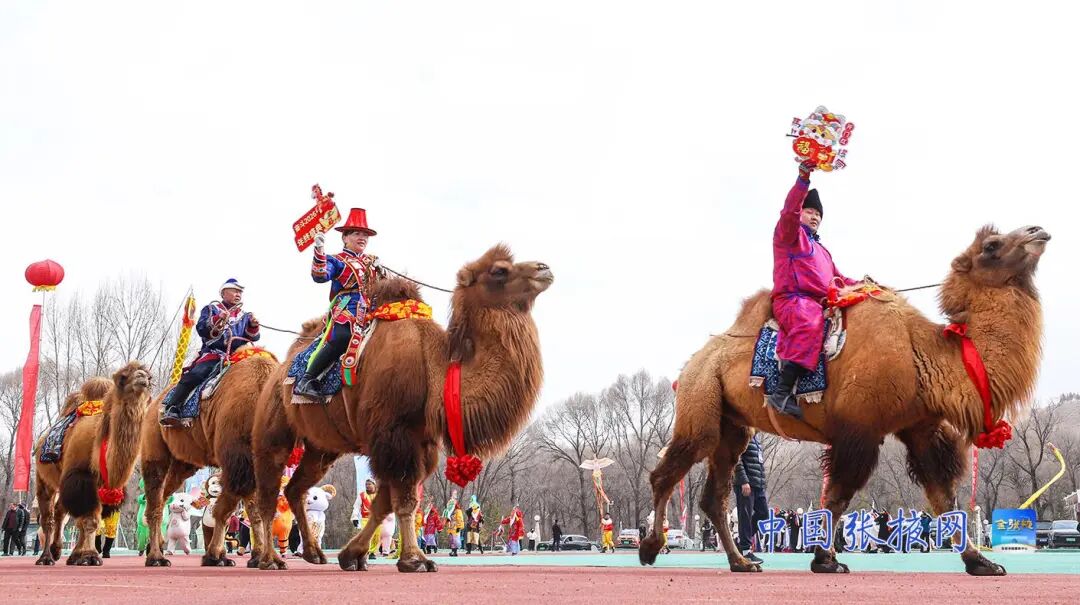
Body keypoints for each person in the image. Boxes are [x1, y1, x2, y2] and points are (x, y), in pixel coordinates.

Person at [769, 161, 858, 418]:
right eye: (809, 211)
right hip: (792, 301)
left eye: (818, 214)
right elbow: (788, 211)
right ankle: (781, 393)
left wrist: (867, 286)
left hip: (820, 302)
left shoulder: (823, 251)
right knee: (810, 320)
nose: (815, 216)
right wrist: (803, 178)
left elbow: (839, 279)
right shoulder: (788, 234)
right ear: (800, 213)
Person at [295, 209, 386, 398]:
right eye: (357, 233)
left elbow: (384, 286)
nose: (362, 238)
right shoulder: (337, 260)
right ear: (345, 237)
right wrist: (319, 250)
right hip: (348, 307)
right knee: (343, 336)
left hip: (372, 308)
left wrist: (383, 273)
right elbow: (320, 275)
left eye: (365, 235)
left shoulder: (371, 261)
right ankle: (307, 379)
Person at [161, 279, 260, 426]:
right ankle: (173, 407)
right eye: (234, 290)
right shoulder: (211, 309)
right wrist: (218, 319)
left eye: (240, 292)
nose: (238, 294)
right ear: (223, 293)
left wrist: (253, 325)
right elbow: (201, 328)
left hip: (239, 356)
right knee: (197, 374)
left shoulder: (246, 316)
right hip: (214, 354)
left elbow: (254, 337)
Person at [733, 432, 768, 563]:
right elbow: (736, 458)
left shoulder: (756, 439)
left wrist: (762, 483)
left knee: (763, 514)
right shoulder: (742, 434)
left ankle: (741, 542)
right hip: (746, 484)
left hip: (758, 484)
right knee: (745, 516)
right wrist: (743, 481)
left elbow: (758, 463)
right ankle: (746, 551)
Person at [351, 479, 380, 560]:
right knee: (366, 536)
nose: (367, 486)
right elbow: (356, 507)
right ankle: (364, 552)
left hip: (377, 519)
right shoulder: (362, 495)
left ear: (374, 485)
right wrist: (354, 517)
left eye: (369, 484)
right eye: (366, 484)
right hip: (365, 519)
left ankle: (372, 552)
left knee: (376, 536)